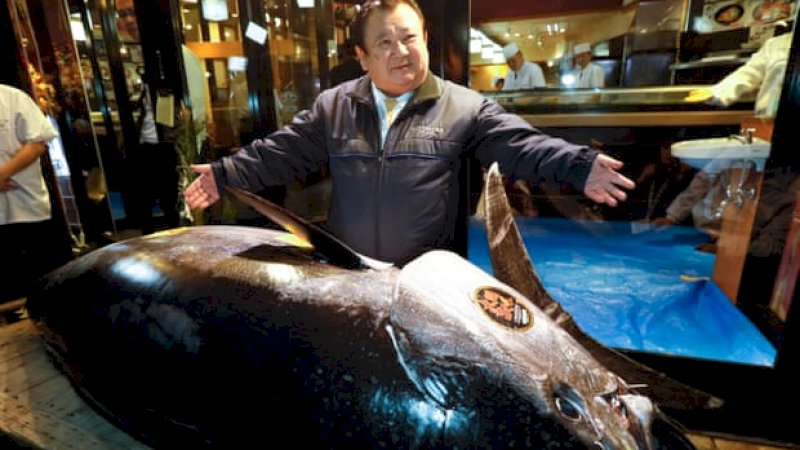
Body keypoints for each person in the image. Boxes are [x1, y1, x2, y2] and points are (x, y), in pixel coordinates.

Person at [184, 0, 635, 267]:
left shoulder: (465, 107)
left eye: (410, 38)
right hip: (349, 271)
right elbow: (282, 152)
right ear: (362, 56)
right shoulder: (334, 106)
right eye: (385, 43)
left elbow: (521, 143)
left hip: (428, 280)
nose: (401, 52)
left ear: (425, 40)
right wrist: (224, 173)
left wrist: (578, 166)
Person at [655, 30, 793, 230]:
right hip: (764, 127)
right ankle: (733, 245)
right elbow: (748, 74)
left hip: (792, 135)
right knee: (738, 185)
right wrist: (717, 92)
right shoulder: (776, 44)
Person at [0, 83, 70, 302]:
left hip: (24, 203)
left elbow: (38, 144)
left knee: (39, 273)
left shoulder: (11, 97)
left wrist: (3, 173)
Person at [127, 76, 182, 235]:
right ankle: (149, 230)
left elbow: (171, 126)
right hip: (146, 149)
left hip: (162, 149)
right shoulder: (142, 101)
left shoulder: (166, 99)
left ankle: (173, 226)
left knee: (167, 193)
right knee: (146, 194)